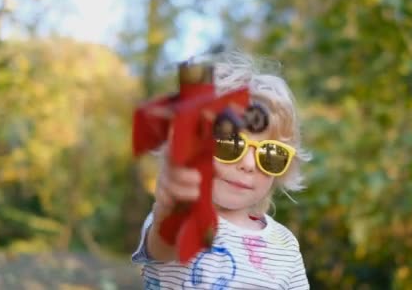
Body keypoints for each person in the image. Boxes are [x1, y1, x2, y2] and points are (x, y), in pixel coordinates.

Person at [132, 51, 311, 289]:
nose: (248, 164)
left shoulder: (285, 246)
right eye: (229, 143)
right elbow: (164, 247)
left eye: (270, 154)